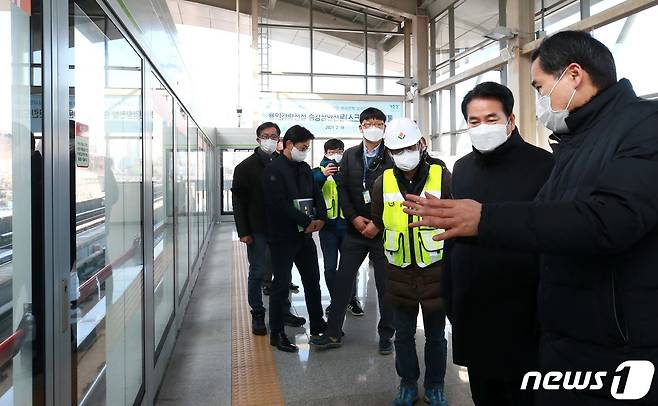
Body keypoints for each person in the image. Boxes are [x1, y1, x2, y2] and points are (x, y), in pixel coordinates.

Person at [403, 31, 658, 405]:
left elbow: (606, 221)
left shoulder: (642, 126)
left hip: (614, 344)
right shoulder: (580, 141)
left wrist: (484, 219)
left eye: (540, 87)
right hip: (570, 335)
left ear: (573, 75)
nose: (541, 100)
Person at [446, 82, 554, 406]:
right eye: (474, 121)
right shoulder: (462, 168)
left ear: (510, 120)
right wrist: (451, 296)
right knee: (485, 395)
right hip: (474, 310)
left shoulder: (543, 165)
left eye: (491, 119)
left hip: (525, 313)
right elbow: (455, 236)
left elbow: (550, 234)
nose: (482, 127)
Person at [370, 118, 451, 406]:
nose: (404, 154)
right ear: (389, 153)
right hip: (398, 272)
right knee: (403, 335)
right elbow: (379, 221)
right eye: (397, 150)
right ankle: (407, 383)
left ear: (421, 144)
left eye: (408, 147)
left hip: (435, 271)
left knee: (436, 336)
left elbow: (454, 218)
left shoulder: (442, 176)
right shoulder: (383, 182)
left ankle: (435, 386)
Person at [310, 107, 395, 354]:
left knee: (385, 286)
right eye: (369, 123)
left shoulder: (392, 157)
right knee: (342, 280)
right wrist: (355, 218)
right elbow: (343, 189)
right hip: (354, 230)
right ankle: (333, 332)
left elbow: (397, 194)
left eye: (378, 123)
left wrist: (377, 223)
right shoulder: (350, 156)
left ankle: (386, 335)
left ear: (384, 128)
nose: (374, 127)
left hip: (383, 232)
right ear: (360, 127)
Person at [232, 122, 304, 335]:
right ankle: (257, 312)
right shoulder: (245, 167)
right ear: (258, 139)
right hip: (258, 228)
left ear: (280, 140)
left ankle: (283, 310)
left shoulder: (285, 163)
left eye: (274, 136)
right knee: (257, 271)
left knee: (283, 272)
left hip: (283, 228)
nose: (270, 140)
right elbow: (239, 202)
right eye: (266, 136)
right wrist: (243, 231)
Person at [263, 125, 328, 352]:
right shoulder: (273, 169)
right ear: (289, 144)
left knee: (312, 281)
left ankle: (318, 324)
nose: (305, 151)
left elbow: (317, 194)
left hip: (305, 237)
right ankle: (277, 332)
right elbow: (277, 204)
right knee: (280, 286)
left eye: (307, 148)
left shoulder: (304, 169)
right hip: (283, 237)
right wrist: (305, 220)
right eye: (303, 147)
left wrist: (322, 217)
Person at [312, 139, 364, 317]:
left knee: (350, 266)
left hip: (349, 225)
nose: (336, 154)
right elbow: (310, 189)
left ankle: (351, 300)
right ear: (325, 152)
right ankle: (336, 301)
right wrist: (323, 175)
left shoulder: (349, 170)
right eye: (332, 151)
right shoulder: (317, 172)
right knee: (329, 267)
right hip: (328, 228)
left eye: (340, 151)